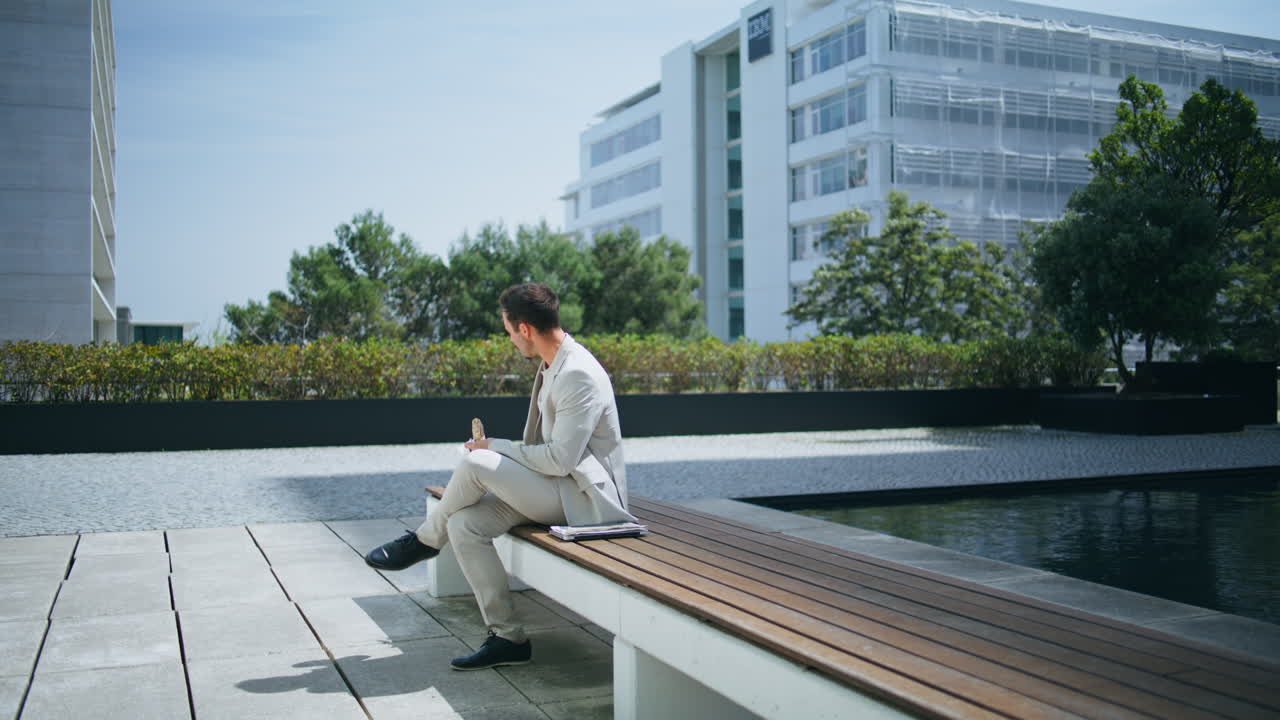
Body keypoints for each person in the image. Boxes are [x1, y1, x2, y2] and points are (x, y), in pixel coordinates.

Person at [364, 282, 635, 670]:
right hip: (558, 487)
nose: (509, 339)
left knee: (477, 465)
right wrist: (498, 452)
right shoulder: (554, 363)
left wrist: (497, 447)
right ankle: (507, 637)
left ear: (524, 328)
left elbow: (560, 460)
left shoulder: (578, 373)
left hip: (584, 499)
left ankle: (423, 540)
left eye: (508, 331)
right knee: (464, 524)